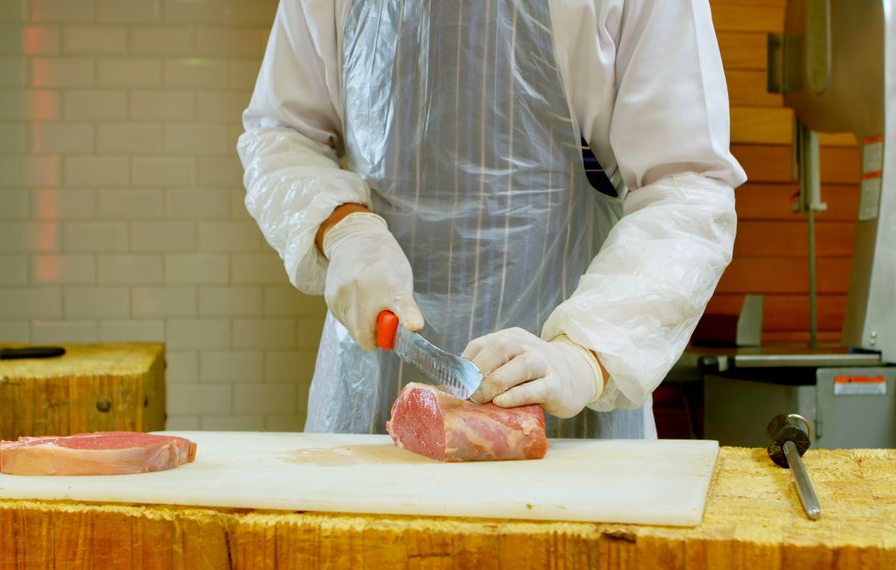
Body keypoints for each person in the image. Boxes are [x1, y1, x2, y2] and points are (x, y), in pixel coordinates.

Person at [238, 0, 746, 438]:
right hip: (371, 395)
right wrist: (343, 227)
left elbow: (686, 187)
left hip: (564, 413)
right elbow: (280, 132)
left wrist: (587, 354)